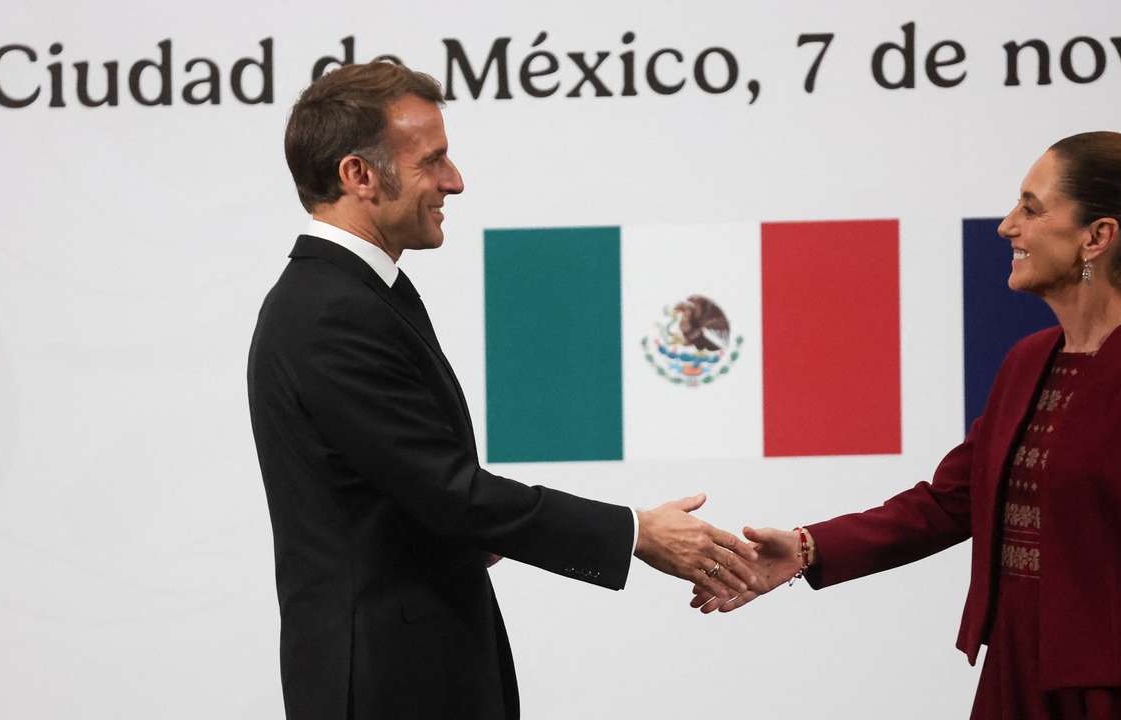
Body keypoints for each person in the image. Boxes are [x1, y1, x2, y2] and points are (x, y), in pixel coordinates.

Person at [247, 62, 758, 720]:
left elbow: (404, 489)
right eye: (433, 160)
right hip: (389, 686)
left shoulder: (357, 295)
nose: (454, 181)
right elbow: (448, 492)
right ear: (359, 176)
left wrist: (460, 527)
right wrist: (634, 534)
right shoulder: (330, 311)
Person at [693, 131, 1121, 719]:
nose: (1008, 226)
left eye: (1031, 208)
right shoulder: (1027, 361)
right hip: (1010, 686)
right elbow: (947, 504)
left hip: (1114, 702)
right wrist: (807, 548)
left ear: (1096, 237)